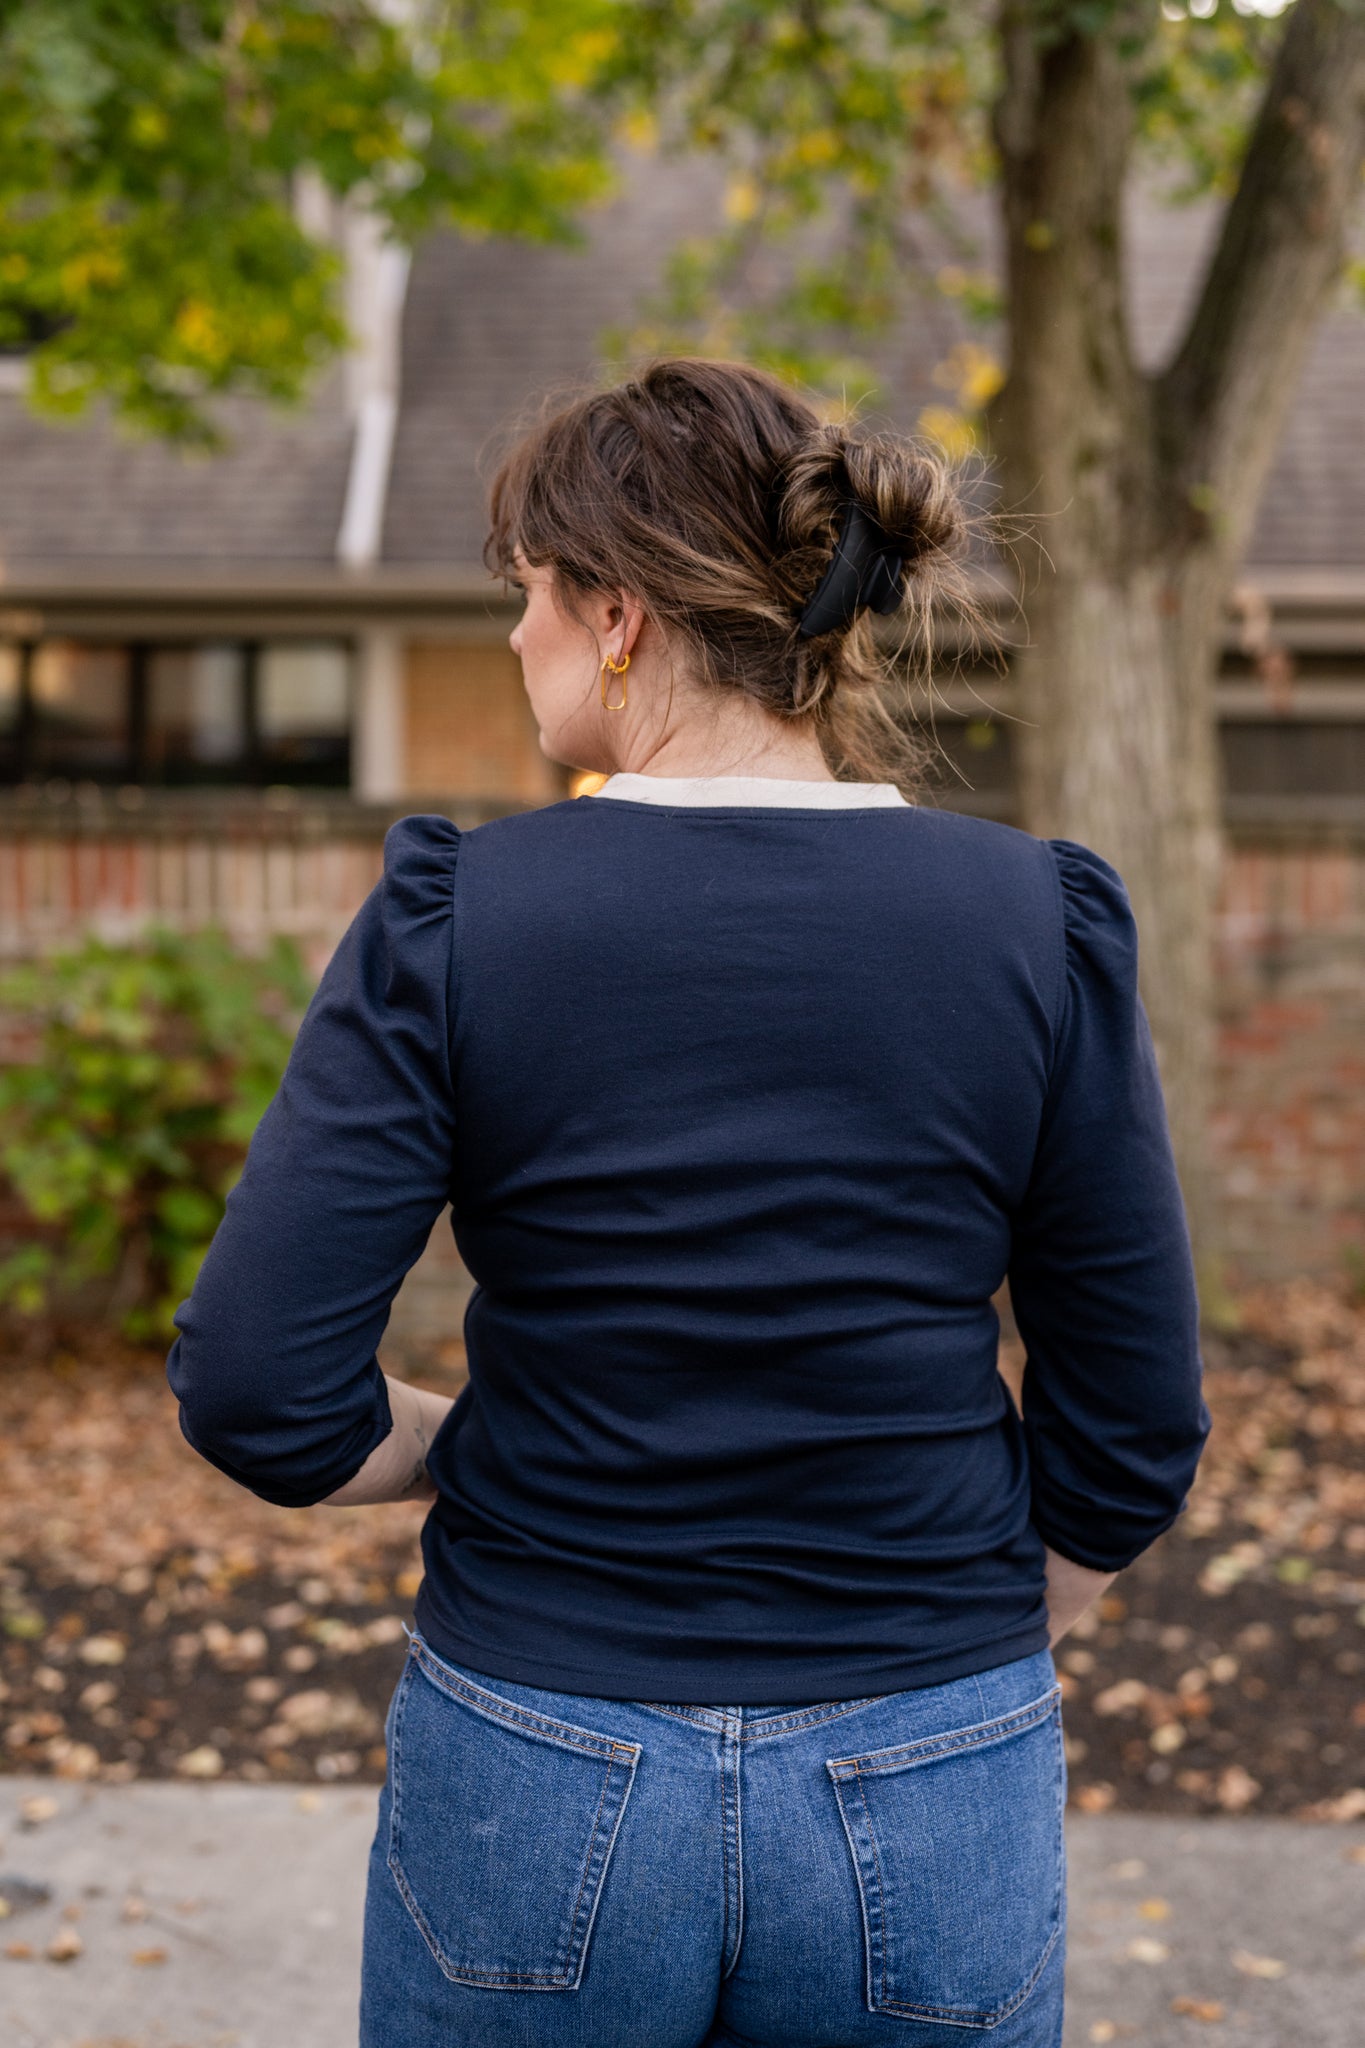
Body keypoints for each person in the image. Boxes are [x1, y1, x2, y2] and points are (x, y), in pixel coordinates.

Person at [166, 357, 1210, 2048]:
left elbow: (254, 1390)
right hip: (929, 1747)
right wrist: (962, 1647)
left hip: (541, 1754)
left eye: (527, 592)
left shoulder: (458, 918)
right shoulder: (1037, 919)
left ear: (617, 615)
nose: (515, 635)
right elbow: (1134, 1416)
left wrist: (462, 1446)